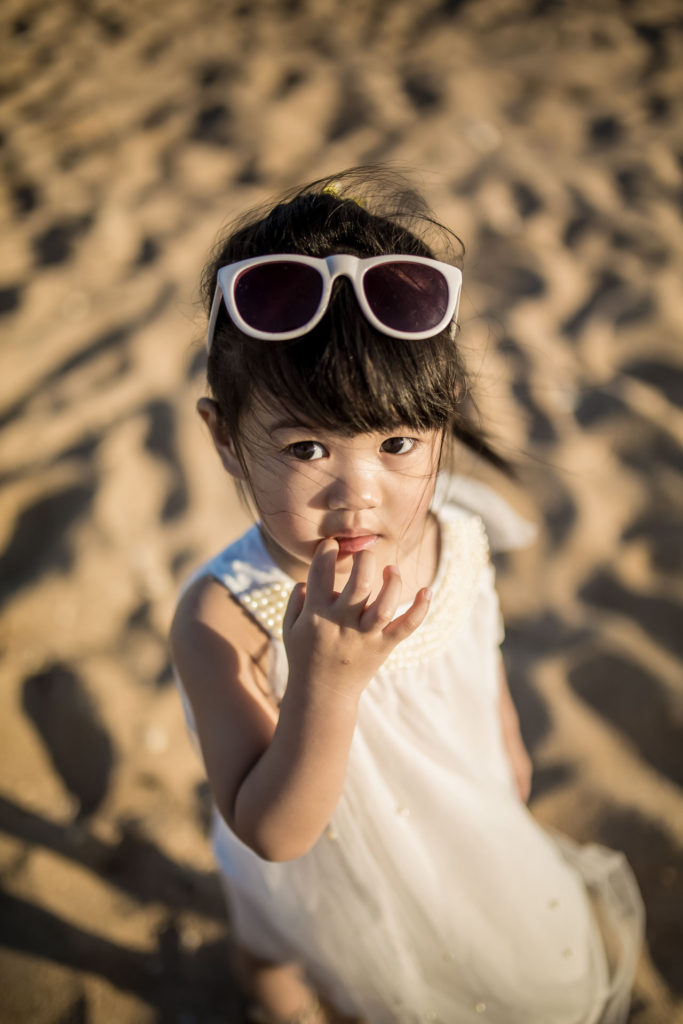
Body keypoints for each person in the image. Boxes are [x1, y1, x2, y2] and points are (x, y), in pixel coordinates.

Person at [170, 168, 643, 1024]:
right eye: (307, 449)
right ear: (225, 439)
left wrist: (502, 747)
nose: (358, 495)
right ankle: (273, 993)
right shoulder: (221, 617)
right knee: (275, 934)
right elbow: (271, 834)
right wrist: (325, 678)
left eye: (394, 442)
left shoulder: (455, 531)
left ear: (442, 417)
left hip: (448, 819)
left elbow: (478, 653)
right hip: (313, 861)